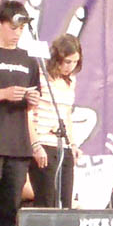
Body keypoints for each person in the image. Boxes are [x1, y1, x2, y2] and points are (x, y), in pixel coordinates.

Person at [0, 0, 46, 226]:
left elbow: (32, 105)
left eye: (22, 28)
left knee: (10, 206)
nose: (17, 32)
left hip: (17, 144)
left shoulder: (28, 60)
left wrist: (32, 99)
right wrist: (2, 94)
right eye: (13, 26)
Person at [28, 34, 83, 208]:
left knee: (66, 200)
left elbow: (66, 114)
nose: (70, 66)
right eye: (67, 62)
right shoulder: (40, 76)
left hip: (63, 144)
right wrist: (35, 145)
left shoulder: (71, 81)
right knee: (47, 199)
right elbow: (29, 113)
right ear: (57, 58)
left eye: (75, 62)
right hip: (43, 142)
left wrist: (72, 144)